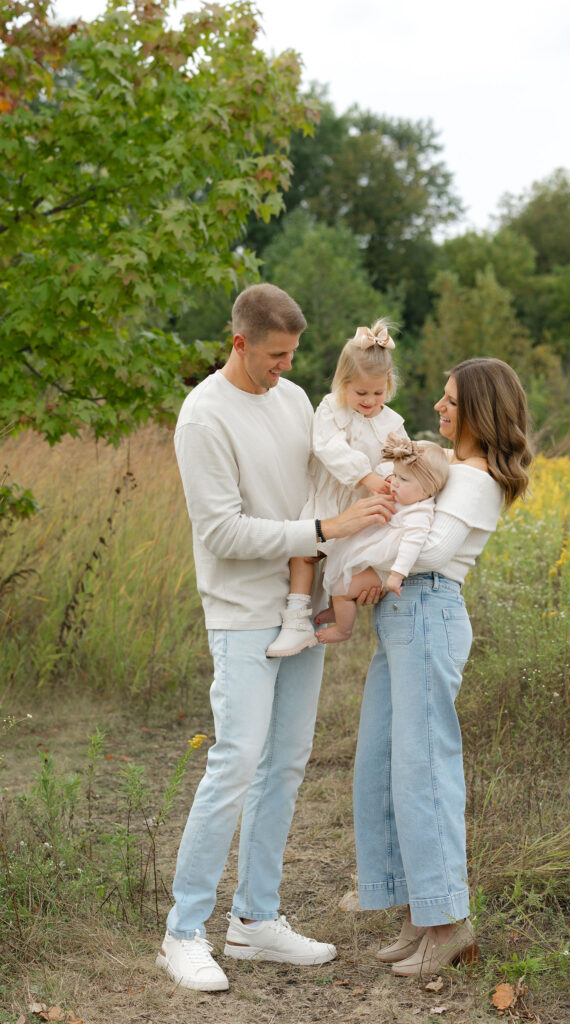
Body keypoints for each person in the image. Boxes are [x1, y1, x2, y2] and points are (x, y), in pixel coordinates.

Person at [156, 283, 394, 992]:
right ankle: (181, 933)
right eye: (272, 356)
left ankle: (255, 921)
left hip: (304, 604)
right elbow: (222, 533)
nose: (285, 368)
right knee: (234, 762)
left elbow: (323, 483)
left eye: (292, 354)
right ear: (238, 343)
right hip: (240, 612)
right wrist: (326, 532)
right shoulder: (203, 418)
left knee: (285, 764)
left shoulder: (293, 401)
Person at [353, 357, 533, 977]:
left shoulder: (476, 479)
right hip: (405, 618)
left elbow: (429, 550)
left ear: (480, 410)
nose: (439, 407)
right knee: (382, 762)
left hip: (427, 611)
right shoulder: (452, 468)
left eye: (451, 400)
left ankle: (449, 922)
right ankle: (417, 911)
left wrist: (369, 571)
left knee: (423, 768)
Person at [265, 318, 408, 658]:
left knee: (346, 566)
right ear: (343, 384)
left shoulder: (392, 422)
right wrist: (366, 476)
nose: (370, 401)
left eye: (378, 392)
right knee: (305, 551)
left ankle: (338, 612)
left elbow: (399, 457)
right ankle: (297, 616)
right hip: (332, 500)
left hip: (364, 507)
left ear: (388, 384)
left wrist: (387, 476)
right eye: (361, 393)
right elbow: (328, 446)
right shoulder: (331, 408)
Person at [316, 435, 450, 644]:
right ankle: (337, 609)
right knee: (339, 573)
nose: (395, 482)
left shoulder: (420, 514)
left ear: (426, 490)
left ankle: (343, 629)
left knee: (342, 588)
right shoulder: (405, 497)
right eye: (395, 475)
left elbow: (411, 546)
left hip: (383, 569)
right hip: (371, 556)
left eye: (403, 479)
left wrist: (396, 575)